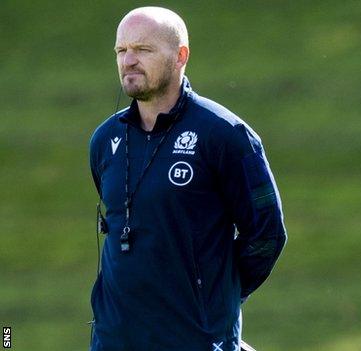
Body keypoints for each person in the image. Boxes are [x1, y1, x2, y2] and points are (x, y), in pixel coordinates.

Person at [89, 7, 286, 351]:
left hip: (193, 339)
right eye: (122, 51)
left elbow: (266, 234)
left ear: (180, 56)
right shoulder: (105, 140)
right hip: (113, 340)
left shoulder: (224, 135)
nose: (129, 60)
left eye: (143, 50)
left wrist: (216, 299)